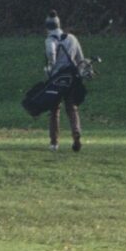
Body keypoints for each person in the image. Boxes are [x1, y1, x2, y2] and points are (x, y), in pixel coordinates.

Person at [39, 12, 88, 152]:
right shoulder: (72, 38)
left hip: (56, 80)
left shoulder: (49, 40)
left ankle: (54, 142)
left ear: (47, 26)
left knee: (54, 110)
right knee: (72, 109)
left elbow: (51, 58)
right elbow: (80, 59)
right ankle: (76, 133)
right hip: (72, 79)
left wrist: (48, 69)